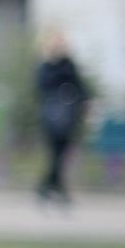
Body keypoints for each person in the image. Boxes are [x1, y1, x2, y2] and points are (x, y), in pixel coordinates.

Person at [35, 30, 89, 204]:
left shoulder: (69, 66)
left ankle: (49, 187)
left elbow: (80, 88)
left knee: (60, 154)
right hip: (51, 115)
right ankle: (55, 189)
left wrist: (85, 104)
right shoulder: (46, 67)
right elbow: (41, 88)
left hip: (68, 116)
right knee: (55, 154)